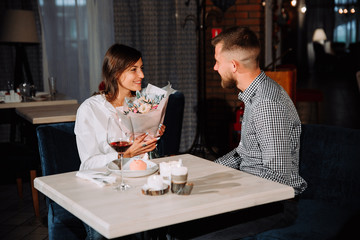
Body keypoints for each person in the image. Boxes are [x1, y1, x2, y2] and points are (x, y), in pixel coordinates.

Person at [168, 26, 307, 239]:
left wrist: (228, 188)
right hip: (253, 196)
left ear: (233, 65)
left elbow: (278, 180)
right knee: (177, 221)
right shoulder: (254, 95)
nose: (214, 68)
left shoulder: (267, 104)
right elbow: (243, 154)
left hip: (273, 206)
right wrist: (206, 171)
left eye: (217, 61)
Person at [75, 44, 165, 240]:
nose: (141, 75)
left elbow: (146, 158)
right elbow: (88, 164)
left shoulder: (143, 105)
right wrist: (125, 154)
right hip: (104, 192)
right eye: (134, 69)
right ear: (115, 72)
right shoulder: (90, 110)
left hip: (140, 185)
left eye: (141, 68)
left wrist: (153, 135)